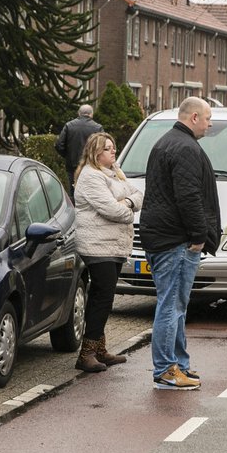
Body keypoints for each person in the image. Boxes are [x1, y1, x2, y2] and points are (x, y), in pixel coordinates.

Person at [138, 98, 220, 390]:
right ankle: (165, 369)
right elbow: (188, 196)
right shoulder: (185, 148)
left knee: (175, 305)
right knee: (172, 305)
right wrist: (199, 235)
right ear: (194, 117)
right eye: (208, 118)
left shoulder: (165, 142)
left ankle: (179, 365)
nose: (210, 124)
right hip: (175, 239)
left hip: (162, 235)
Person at [72, 132, 142, 374]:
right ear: (95, 153)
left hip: (113, 245)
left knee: (105, 297)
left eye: (113, 147)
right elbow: (112, 210)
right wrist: (127, 207)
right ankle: (86, 354)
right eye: (108, 148)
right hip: (97, 245)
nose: (113, 151)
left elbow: (139, 195)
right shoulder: (91, 177)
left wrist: (127, 202)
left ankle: (99, 349)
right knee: (102, 298)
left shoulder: (113, 173)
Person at [55, 104, 103, 182]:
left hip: (72, 166)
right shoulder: (98, 128)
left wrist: (68, 156)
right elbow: (102, 147)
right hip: (91, 166)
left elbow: (59, 145)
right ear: (91, 114)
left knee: (73, 187)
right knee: (90, 188)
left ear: (79, 113)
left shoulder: (69, 126)